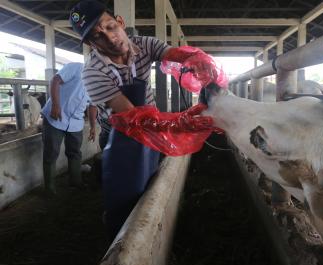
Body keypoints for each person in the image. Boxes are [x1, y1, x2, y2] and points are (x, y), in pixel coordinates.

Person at [69, 0, 217, 239]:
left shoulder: (143, 44)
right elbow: (132, 117)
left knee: (151, 175)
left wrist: (195, 60)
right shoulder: (92, 73)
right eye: (98, 37)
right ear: (90, 44)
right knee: (124, 188)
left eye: (110, 27)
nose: (109, 38)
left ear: (120, 22)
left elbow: (173, 54)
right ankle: (118, 233)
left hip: (150, 120)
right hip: (121, 132)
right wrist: (179, 123)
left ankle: (149, 219)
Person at [41, 62, 97, 195]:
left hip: (76, 122)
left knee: (75, 152)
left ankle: (76, 182)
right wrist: (55, 105)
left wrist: (93, 126)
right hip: (56, 117)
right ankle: (49, 188)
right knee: (51, 152)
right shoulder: (77, 67)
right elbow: (55, 80)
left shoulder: (98, 83)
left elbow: (92, 106)